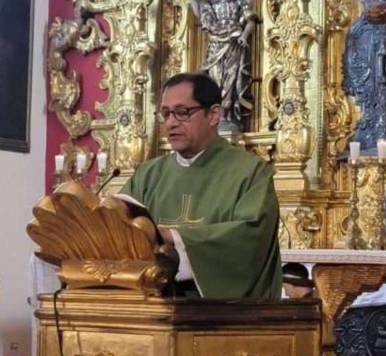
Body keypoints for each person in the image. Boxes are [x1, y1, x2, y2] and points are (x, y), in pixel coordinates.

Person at [119, 73, 281, 298]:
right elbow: (119, 227)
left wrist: (175, 238)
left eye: (182, 112)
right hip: (151, 310)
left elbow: (250, 237)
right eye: (165, 114)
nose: (171, 123)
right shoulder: (148, 174)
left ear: (214, 114)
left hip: (223, 318)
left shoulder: (251, 172)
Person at [188, 0, 257, 130]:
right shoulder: (209, 2)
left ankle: (227, 116)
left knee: (230, 80)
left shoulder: (239, 1)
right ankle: (214, 116)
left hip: (233, 44)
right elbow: (200, 14)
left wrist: (243, 36)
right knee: (215, 79)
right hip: (215, 45)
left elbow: (251, 21)